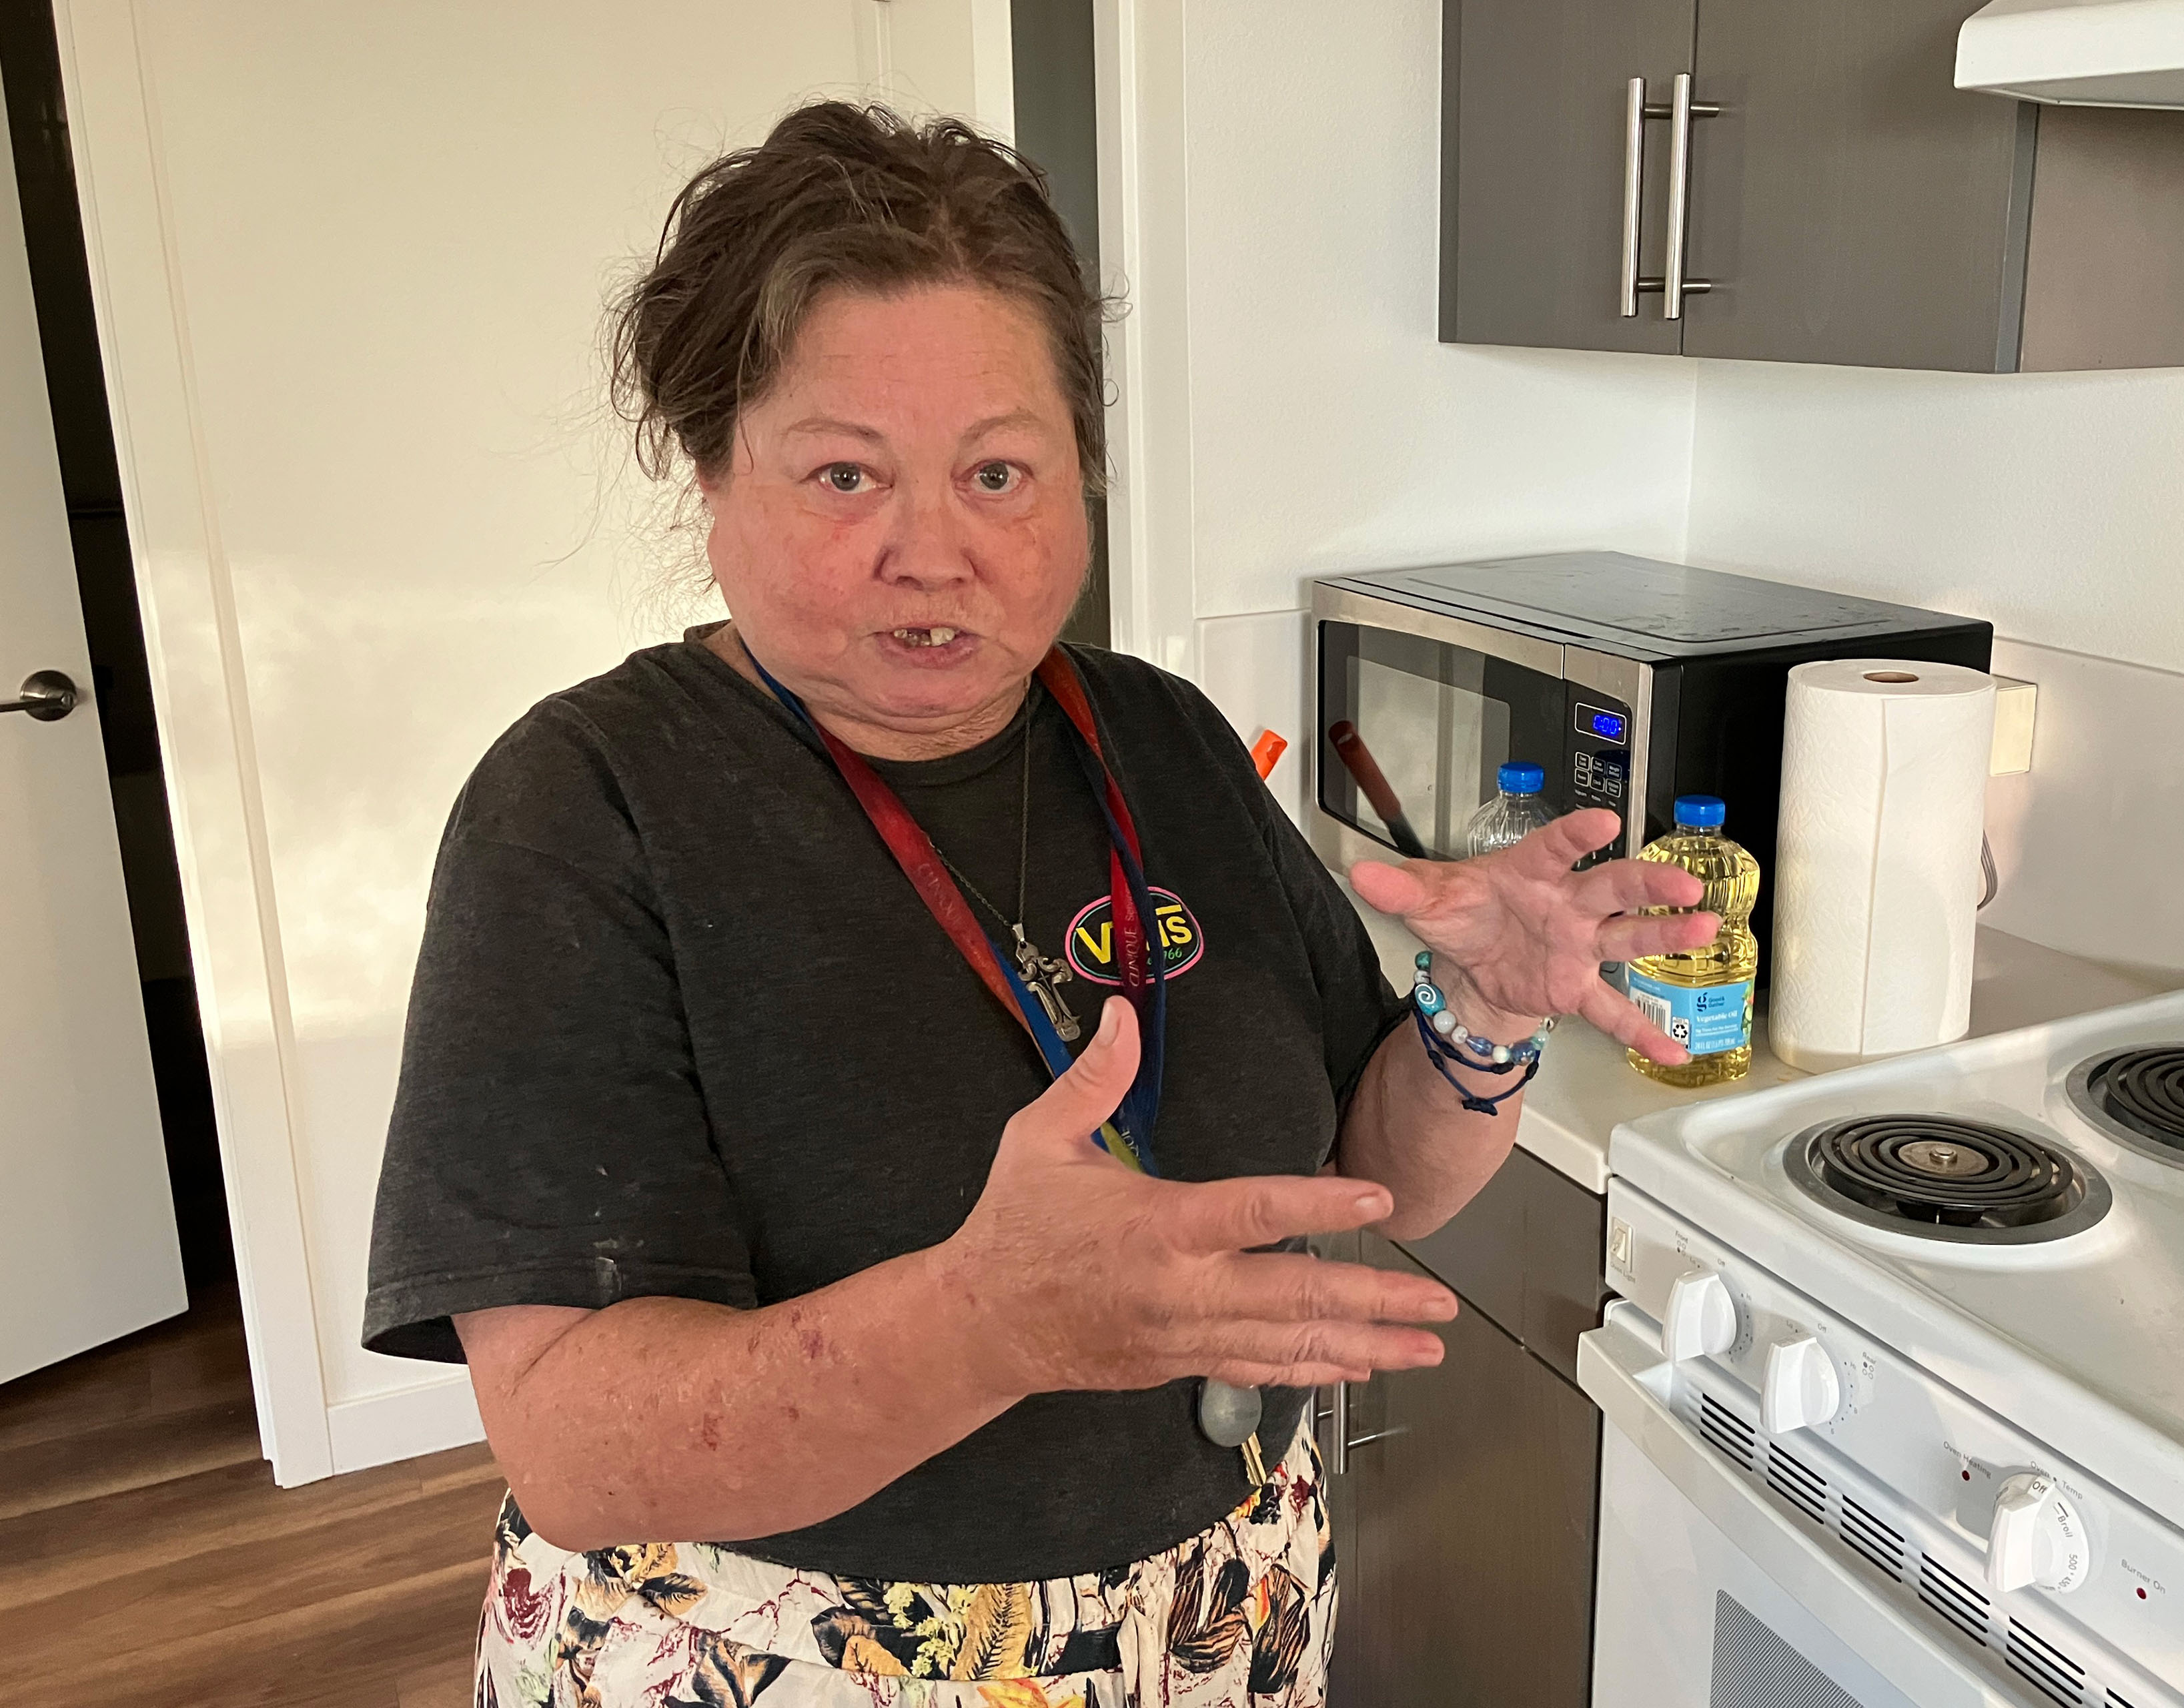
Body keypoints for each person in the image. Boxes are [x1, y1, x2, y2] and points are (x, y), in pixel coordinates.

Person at [363, 101, 1712, 1708]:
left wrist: (1478, 1018)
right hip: (783, 1658)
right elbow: (573, 1442)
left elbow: (1373, 1177)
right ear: (711, 470)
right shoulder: (586, 807)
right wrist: (987, 1322)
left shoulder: (1162, 739)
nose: (932, 551)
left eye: (997, 471)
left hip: (1223, 1623)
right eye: (846, 474)